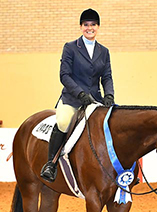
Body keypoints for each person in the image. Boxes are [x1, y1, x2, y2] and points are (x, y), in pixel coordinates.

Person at [41, 8, 115, 182]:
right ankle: (51, 164)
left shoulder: (103, 51)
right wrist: (80, 93)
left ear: (98, 27)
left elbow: (107, 77)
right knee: (64, 121)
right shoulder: (70, 47)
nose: (90, 28)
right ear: (81, 27)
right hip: (72, 99)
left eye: (93, 25)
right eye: (86, 25)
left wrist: (109, 95)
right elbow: (64, 75)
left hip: (94, 100)